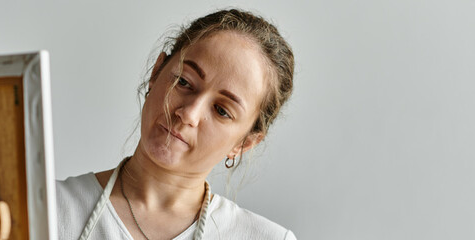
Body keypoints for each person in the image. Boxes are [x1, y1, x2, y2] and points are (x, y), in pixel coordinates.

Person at [57, 8, 296, 240]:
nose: (189, 114)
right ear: (156, 72)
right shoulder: (40, 209)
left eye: (222, 110)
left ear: (244, 143)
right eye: (183, 81)